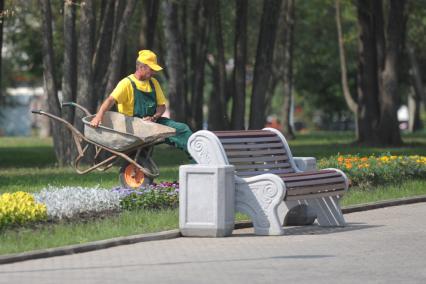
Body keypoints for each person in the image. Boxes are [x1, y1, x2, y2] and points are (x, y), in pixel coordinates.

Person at [90, 50, 192, 153]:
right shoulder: (126, 83)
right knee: (139, 156)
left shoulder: (154, 83)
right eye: (151, 69)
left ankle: (198, 160)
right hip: (133, 128)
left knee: (182, 129)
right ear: (141, 67)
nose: (154, 72)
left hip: (152, 123)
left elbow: (162, 106)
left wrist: (154, 117)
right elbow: (110, 100)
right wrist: (99, 116)